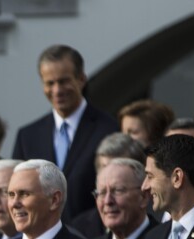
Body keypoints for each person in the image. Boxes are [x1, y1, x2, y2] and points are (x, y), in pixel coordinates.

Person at [12, 45, 118, 221]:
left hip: (91, 237)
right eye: (50, 83)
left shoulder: (108, 129)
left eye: (64, 81)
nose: (57, 90)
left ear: (82, 79)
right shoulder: (27, 136)